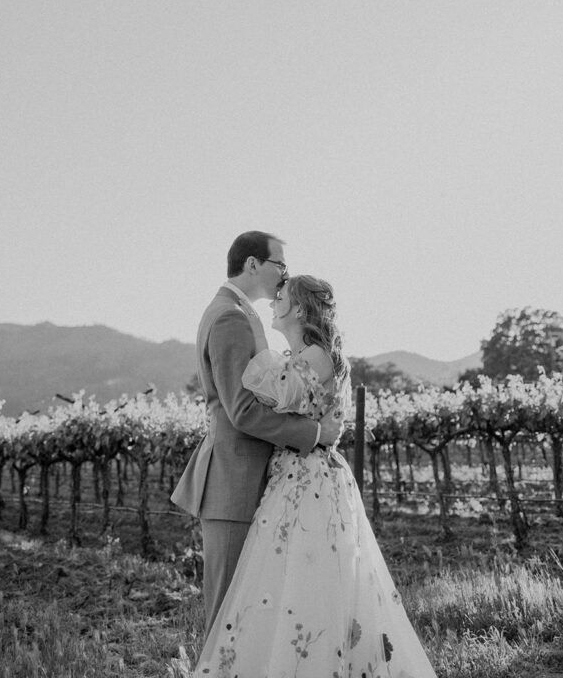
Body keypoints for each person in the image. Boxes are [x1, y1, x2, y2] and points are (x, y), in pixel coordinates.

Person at [192, 274, 438, 678]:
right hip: (290, 476)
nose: (273, 302)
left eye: (281, 297)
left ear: (299, 309)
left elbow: (260, 394)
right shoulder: (302, 356)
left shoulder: (318, 357)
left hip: (310, 479)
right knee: (281, 581)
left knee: (309, 579)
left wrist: (252, 340)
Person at [171, 233, 342, 639]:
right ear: (252, 265)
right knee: (226, 614)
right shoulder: (230, 316)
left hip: (251, 480)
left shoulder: (237, 312)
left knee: (246, 612)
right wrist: (316, 432)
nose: (284, 275)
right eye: (279, 265)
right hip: (234, 480)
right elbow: (242, 410)